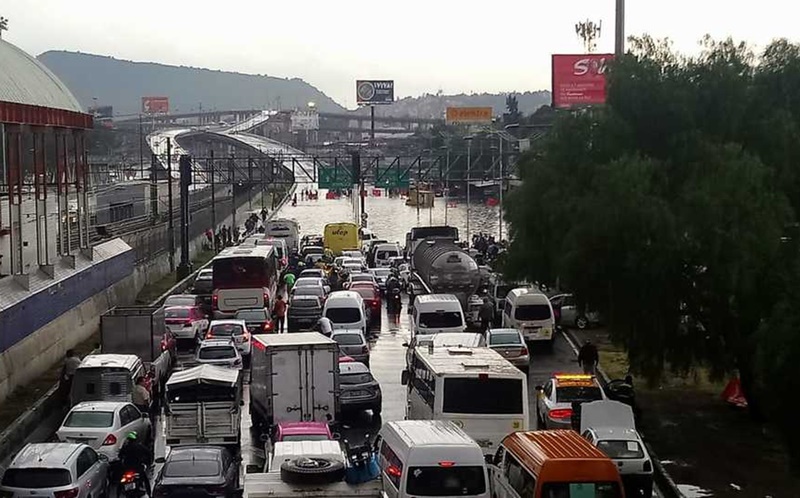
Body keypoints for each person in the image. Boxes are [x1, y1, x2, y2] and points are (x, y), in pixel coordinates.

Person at [118, 432, 152, 497]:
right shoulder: (140, 446)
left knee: (120, 481)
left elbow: (120, 455)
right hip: (138, 467)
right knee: (145, 480)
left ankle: (118, 494)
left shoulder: (126, 447)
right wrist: (148, 462)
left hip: (127, 468)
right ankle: (149, 494)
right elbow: (148, 453)